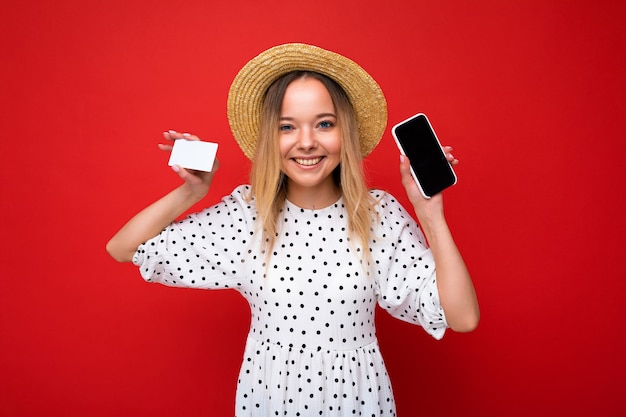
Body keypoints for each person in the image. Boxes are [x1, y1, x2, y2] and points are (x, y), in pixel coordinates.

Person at [107, 43, 479, 416]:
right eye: (287, 126)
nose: (306, 142)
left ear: (344, 133)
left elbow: (462, 317)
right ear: (271, 136)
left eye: (324, 123)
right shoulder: (246, 215)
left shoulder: (378, 214)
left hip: (357, 404)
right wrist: (193, 190)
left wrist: (430, 213)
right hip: (271, 402)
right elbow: (123, 247)